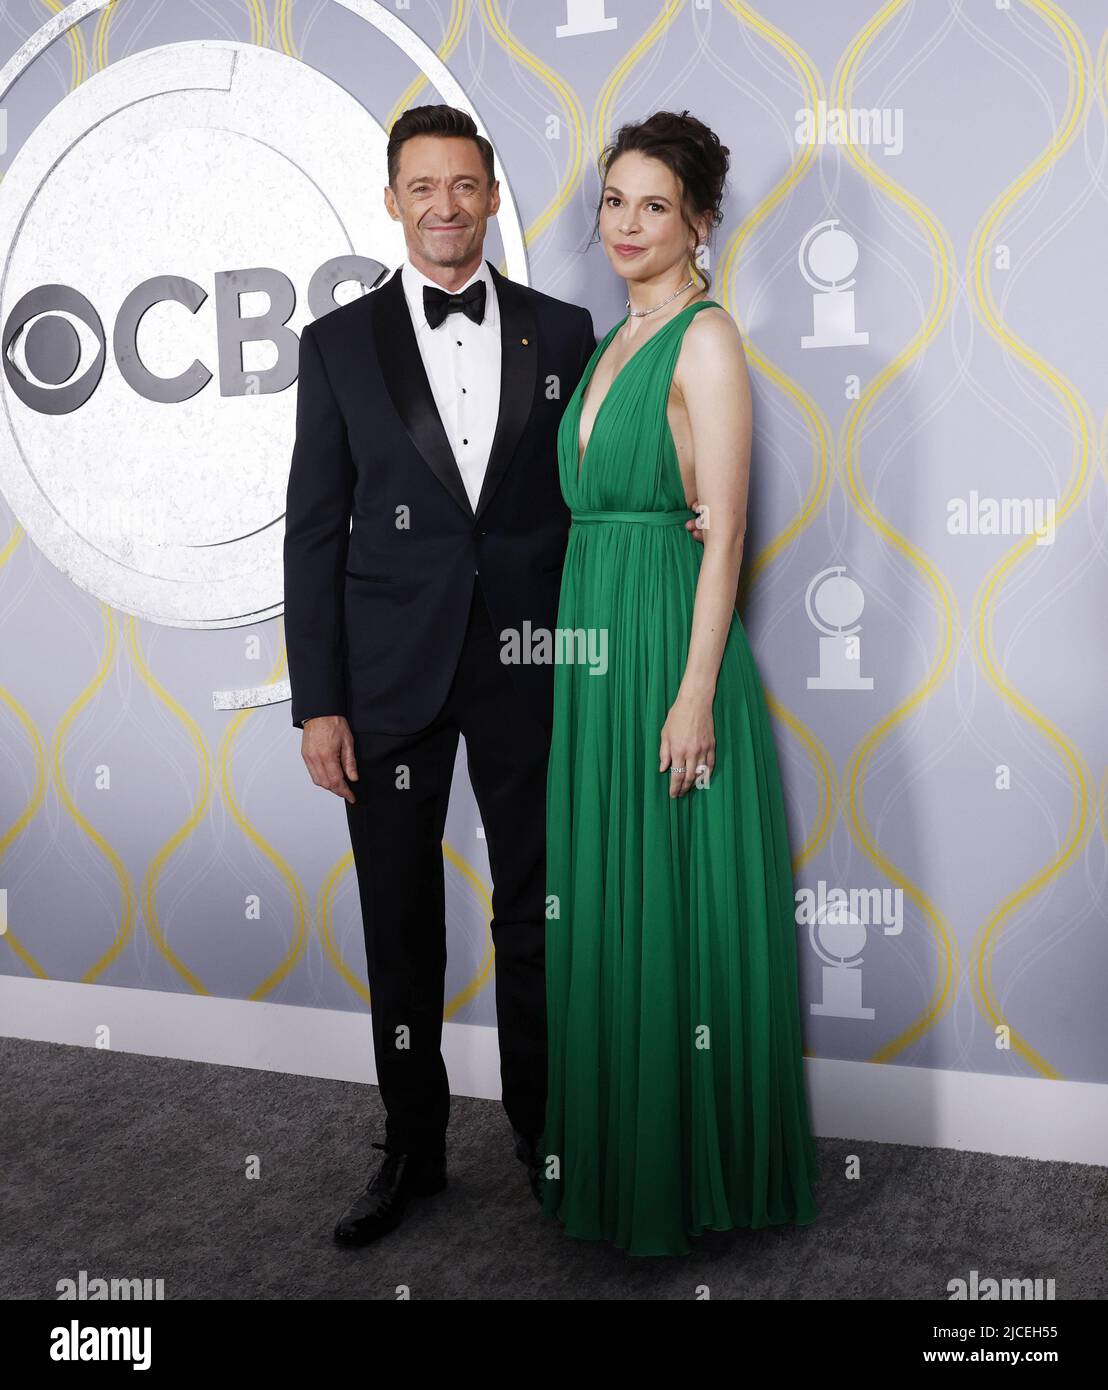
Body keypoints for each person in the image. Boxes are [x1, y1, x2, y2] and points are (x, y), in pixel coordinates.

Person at [283, 104, 596, 1246]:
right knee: (399, 922)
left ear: (493, 194)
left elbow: (591, 499)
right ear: (391, 200)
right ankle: (410, 1148)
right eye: (424, 186)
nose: (447, 206)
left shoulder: (565, 333)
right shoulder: (335, 345)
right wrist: (319, 700)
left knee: (538, 915)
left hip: (529, 665)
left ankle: (545, 1133)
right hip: (386, 682)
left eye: (465, 184)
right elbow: (312, 531)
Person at [541, 110, 821, 1255]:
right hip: (593, 638)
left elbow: (725, 530)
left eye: (654, 204)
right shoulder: (612, 336)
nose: (625, 223)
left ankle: (686, 1178)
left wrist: (696, 687)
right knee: (611, 898)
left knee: (670, 902)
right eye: (614, 200)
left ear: (700, 221)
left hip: (664, 640)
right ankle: (617, 1163)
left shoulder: (705, 338)